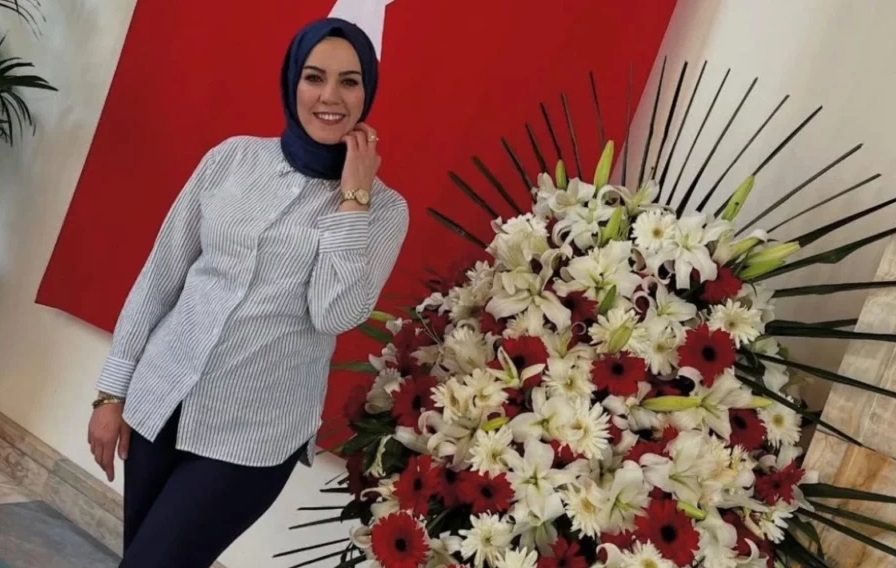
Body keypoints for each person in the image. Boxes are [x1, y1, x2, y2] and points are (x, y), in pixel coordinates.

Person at [86, 17, 409, 567]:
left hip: (251, 439)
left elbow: (333, 313)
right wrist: (111, 393)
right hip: (158, 402)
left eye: (349, 81)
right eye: (314, 77)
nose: (330, 96)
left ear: (367, 92)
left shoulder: (385, 210)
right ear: (292, 81)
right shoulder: (232, 158)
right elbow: (160, 277)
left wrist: (353, 199)